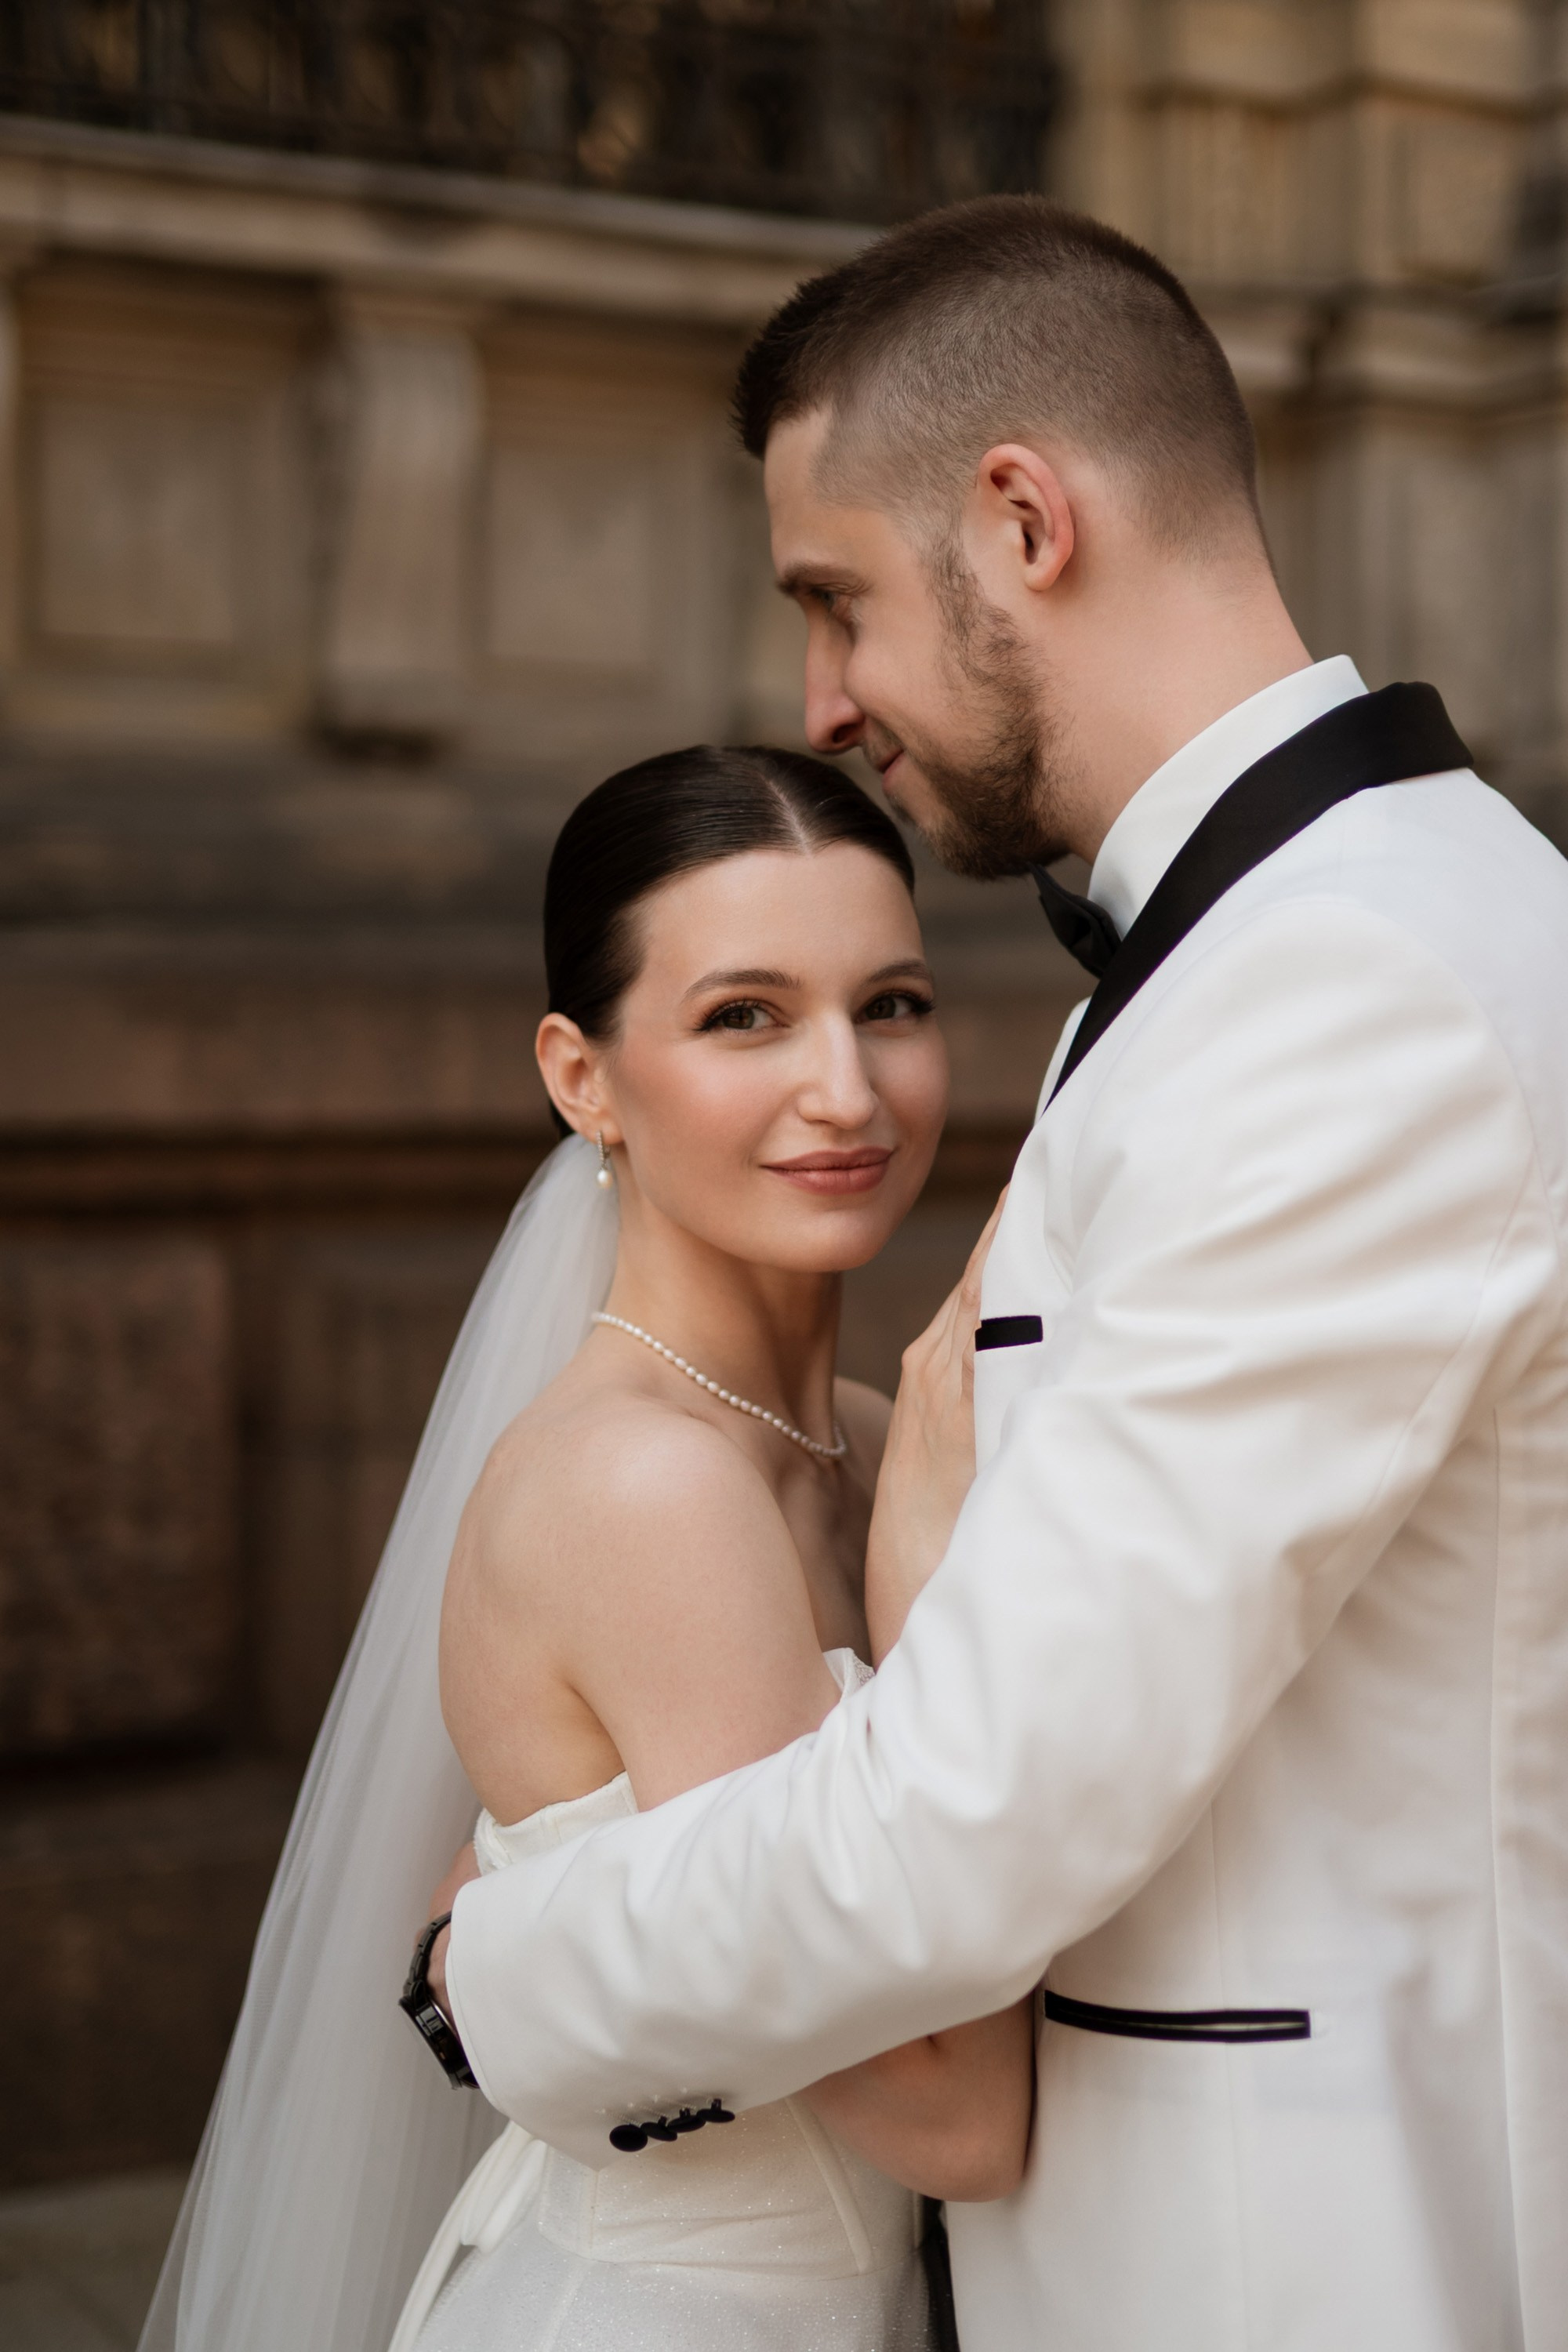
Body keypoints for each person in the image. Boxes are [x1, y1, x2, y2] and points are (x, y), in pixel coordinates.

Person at [434, 199, 1568, 2348]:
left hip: (1294, 2265)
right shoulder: (1290, 950)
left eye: (838, 602)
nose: (823, 697)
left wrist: (504, 1966)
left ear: (1023, 521)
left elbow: (978, 1820)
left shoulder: (1349, 991)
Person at [138, 743, 1030, 2352]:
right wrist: (918, 1582)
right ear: (581, 1076)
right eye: (742, 1016)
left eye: (889, 1003)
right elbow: (945, 2116)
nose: (846, 1086)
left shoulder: (876, 1442)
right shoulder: (642, 1489)